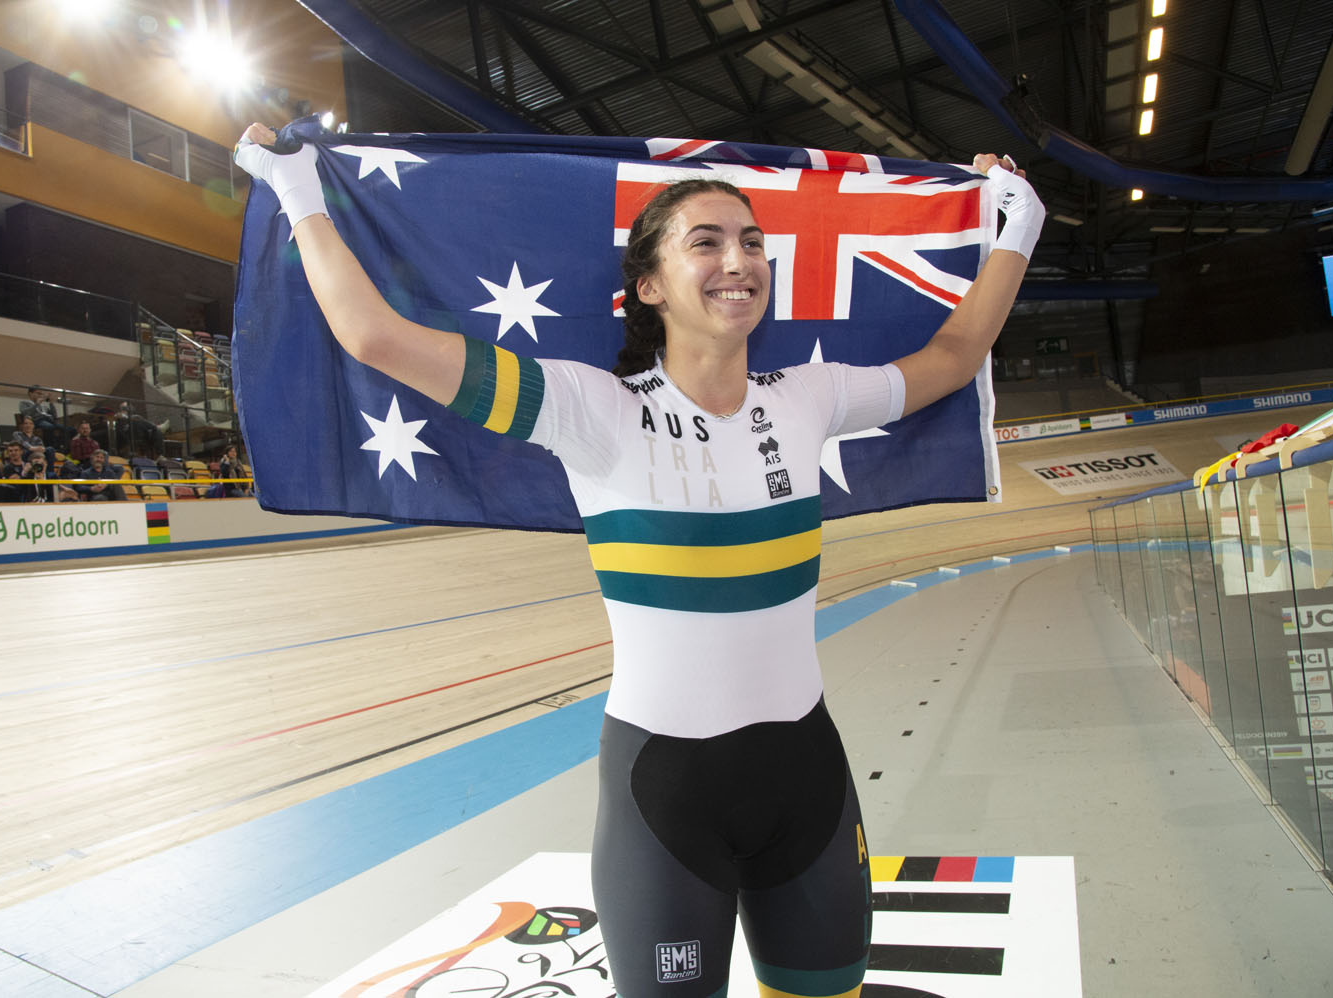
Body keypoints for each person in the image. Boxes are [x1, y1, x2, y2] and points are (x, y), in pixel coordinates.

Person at [236, 123, 1042, 997]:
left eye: (752, 242)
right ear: (650, 285)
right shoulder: (594, 411)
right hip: (666, 802)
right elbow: (376, 338)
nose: (740, 259)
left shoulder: (808, 398)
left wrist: (1018, 227)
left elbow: (954, 357)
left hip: (808, 783)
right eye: (708, 241)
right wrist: (299, 191)